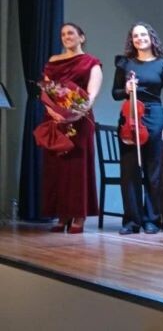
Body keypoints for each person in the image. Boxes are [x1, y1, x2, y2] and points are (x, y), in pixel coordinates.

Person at [112, 22, 163, 235]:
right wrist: (126, 89)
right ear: (132, 40)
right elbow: (115, 93)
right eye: (135, 36)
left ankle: (152, 219)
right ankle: (132, 221)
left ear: (151, 37)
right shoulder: (124, 64)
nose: (140, 38)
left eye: (143, 34)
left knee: (153, 172)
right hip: (130, 118)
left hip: (155, 117)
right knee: (129, 172)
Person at [41, 22, 102, 233]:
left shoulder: (91, 62)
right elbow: (47, 91)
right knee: (57, 168)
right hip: (55, 119)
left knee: (78, 168)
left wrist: (75, 113)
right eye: (63, 34)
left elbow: (91, 95)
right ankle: (62, 214)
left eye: (71, 33)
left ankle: (78, 215)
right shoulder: (53, 61)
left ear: (81, 37)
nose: (66, 37)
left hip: (80, 120)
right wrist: (54, 112)